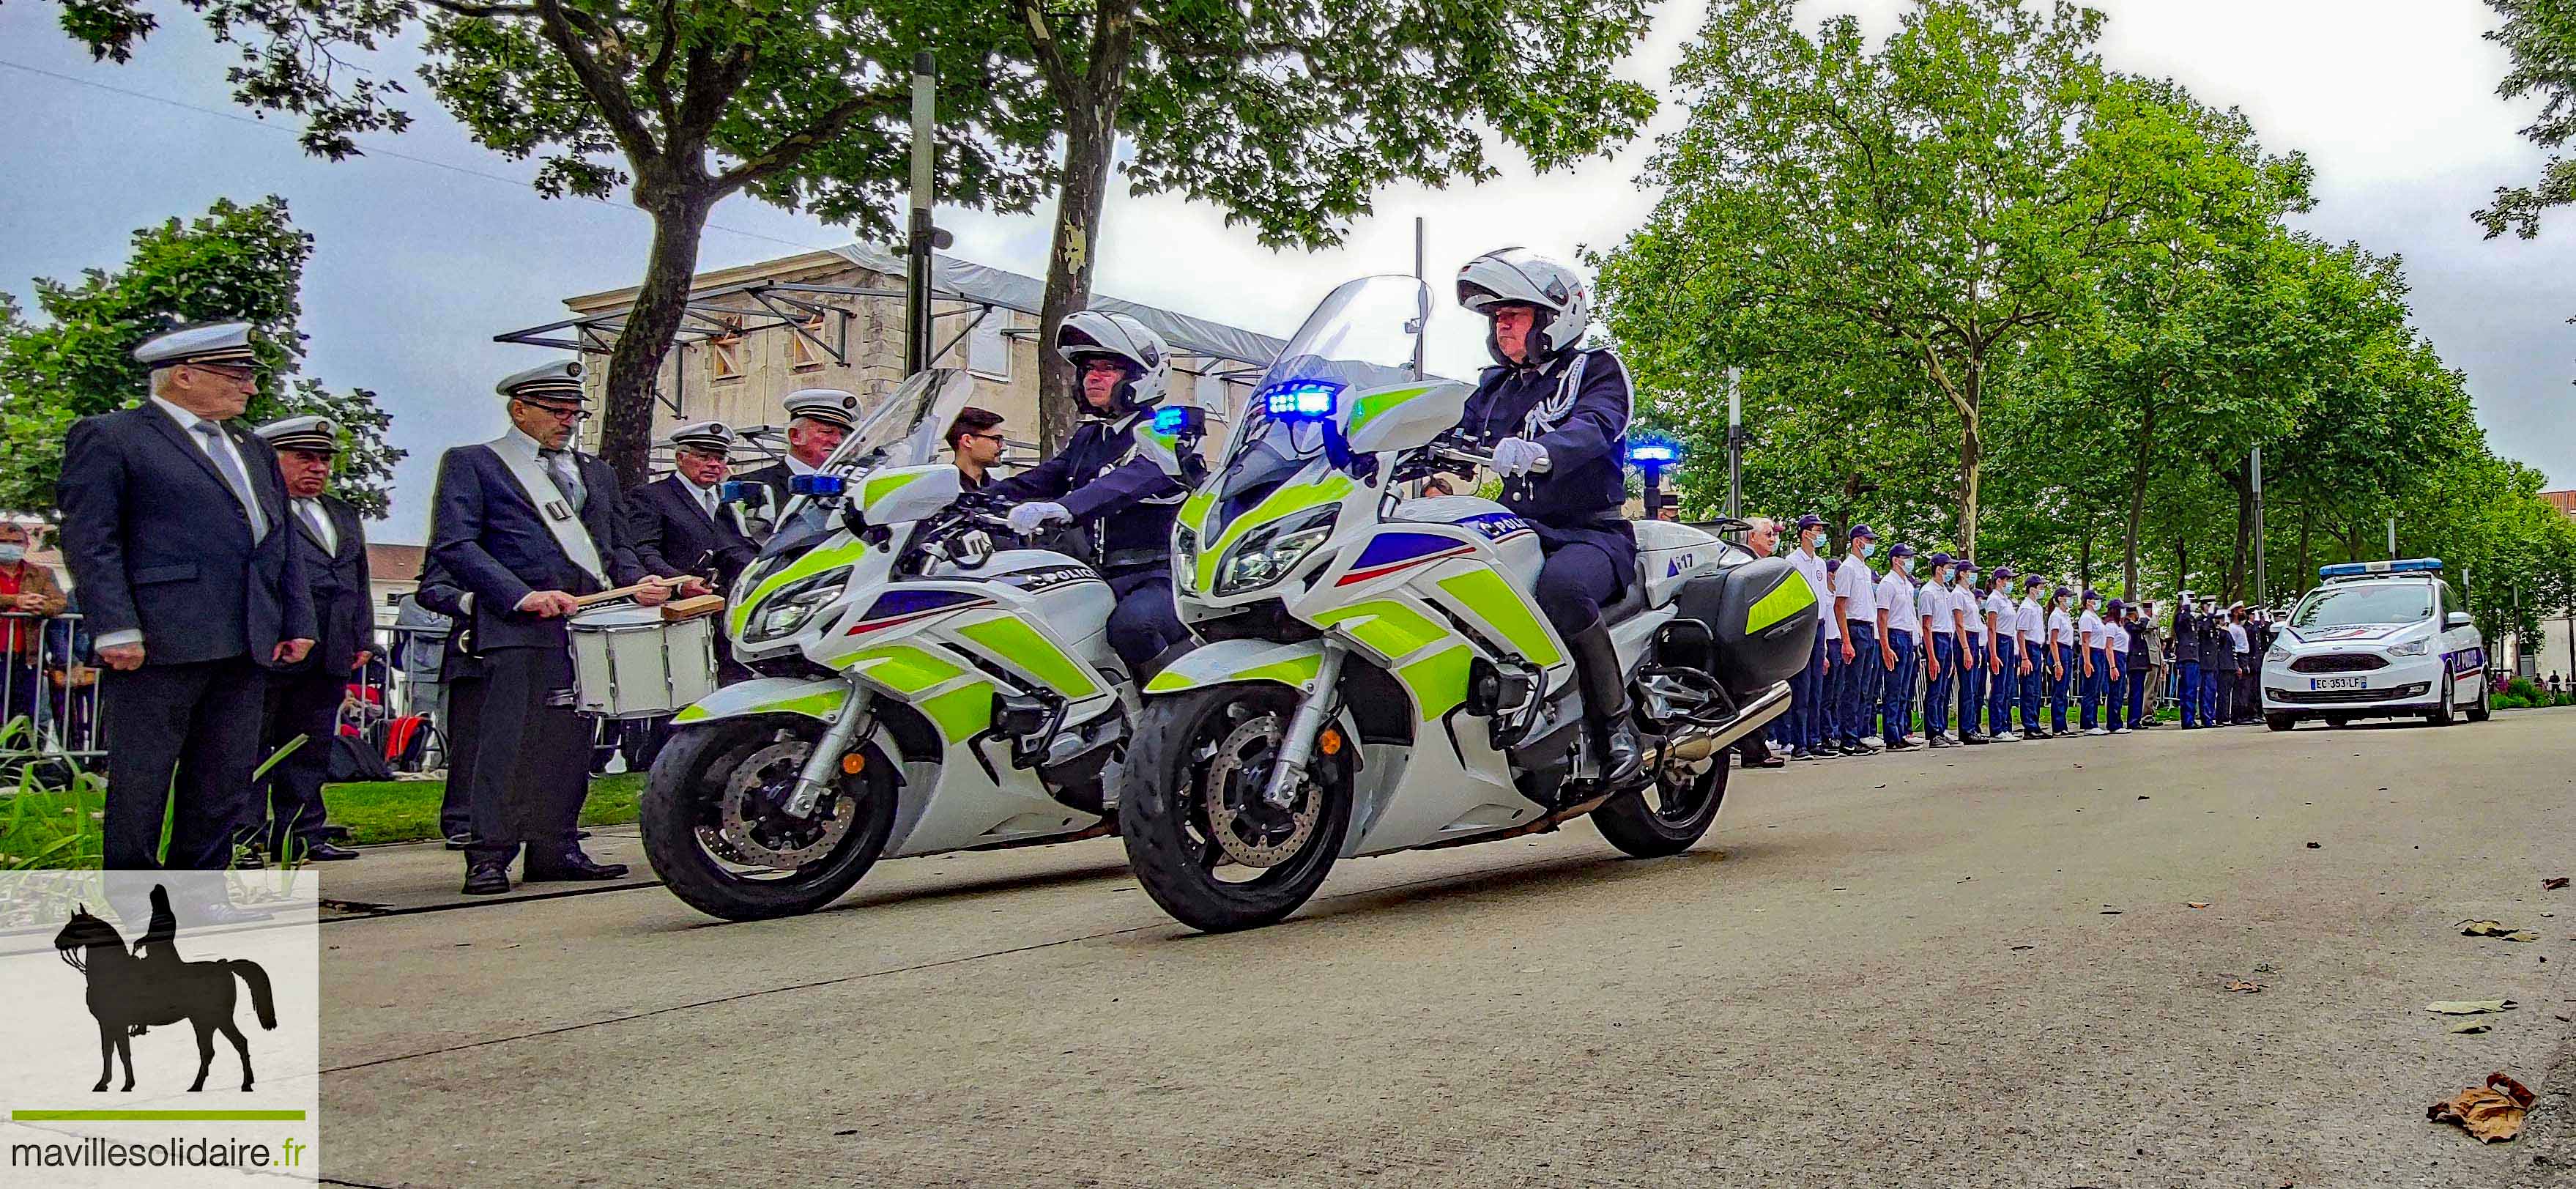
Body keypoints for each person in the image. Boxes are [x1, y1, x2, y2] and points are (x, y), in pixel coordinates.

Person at [56, 322, 314, 884]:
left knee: (222, 777)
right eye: (237, 375)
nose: (249, 389)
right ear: (184, 375)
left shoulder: (252, 448)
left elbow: (279, 541)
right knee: (145, 776)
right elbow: (92, 538)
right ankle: (133, 895)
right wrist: (114, 626)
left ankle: (201, 889)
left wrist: (296, 617)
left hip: (246, 635)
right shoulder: (114, 435)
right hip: (161, 634)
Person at [429, 360, 701, 895]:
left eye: (574, 412)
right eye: (556, 411)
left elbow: (614, 547)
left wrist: (644, 581)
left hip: (588, 624)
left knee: (571, 742)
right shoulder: (475, 464)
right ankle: (489, 853)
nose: (567, 421)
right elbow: (456, 545)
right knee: (507, 744)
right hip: (517, 628)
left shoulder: (594, 472)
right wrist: (520, 595)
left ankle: (556, 845)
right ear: (519, 409)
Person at [1434, 251, 1643, 785]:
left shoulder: (1594, 369)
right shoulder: (1494, 386)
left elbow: (1598, 423)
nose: (1501, 323)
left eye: (1514, 314)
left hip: (1589, 533)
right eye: (1495, 316)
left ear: (1554, 318)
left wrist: (1542, 450)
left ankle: (1616, 729)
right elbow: (1448, 426)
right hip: (1515, 529)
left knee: (1562, 590)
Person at [990, 311, 1195, 684]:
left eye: (1107, 369)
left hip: (1158, 576)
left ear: (1140, 377)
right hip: (1096, 574)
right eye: (1088, 370)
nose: (1093, 377)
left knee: (1133, 626)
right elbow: (1043, 478)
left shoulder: (1167, 429)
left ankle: (1174, 710)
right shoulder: (1089, 438)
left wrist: (1064, 508)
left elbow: (1132, 479)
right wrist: (968, 497)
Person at [250, 415, 369, 864]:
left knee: (310, 745)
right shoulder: (260, 509)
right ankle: (244, 833)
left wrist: (361, 637)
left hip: (331, 648)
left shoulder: (340, 513)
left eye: (323, 459)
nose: (317, 468)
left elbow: (356, 578)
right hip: (274, 645)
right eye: (304, 458)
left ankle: (302, 833)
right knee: (252, 745)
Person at [628, 421, 758, 599]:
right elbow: (645, 551)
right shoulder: (650, 496)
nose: (713, 464)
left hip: (735, 600)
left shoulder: (732, 499)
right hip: (682, 605)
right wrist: (680, 582)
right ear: (680, 459)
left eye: (720, 459)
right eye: (704, 457)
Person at [734, 389, 858, 538]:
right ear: (796, 436)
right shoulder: (748, 485)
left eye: (843, 435)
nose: (838, 441)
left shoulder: (853, 486)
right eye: (827, 432)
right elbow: (736, 547)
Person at [0, 520, 67, 741]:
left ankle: (19, 767)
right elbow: (15, 601)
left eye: (15, 542)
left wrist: (41, 606)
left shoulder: (41, 573)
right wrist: (15, 600)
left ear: (26, 544)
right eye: (3, 542)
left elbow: (59, 602)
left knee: (25, 714)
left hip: (26, 657)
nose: (10, 546)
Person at [1785, 515, 1836, 762]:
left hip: (1820, 626)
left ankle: (1814, 739)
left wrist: (1824, 645)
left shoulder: (1821, 564)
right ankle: (1799, 742)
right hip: (1802, 626)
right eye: (1817, 530)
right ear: (1805, 533)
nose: (1820, 535)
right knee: (1802, 687)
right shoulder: (1792, 562)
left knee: (1817, 687)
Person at [1831, 525, 1885, 757]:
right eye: (1867, 539)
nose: (1870, 543)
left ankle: (1858, 734)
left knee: (1864, 687)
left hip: (1868, 629)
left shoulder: (1864, 569)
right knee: (1852, 687)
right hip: (1855, 629)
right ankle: (1848, 739)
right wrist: (1846, 640)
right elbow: (1840, 605)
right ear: (1856, 542)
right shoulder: (1848, 569)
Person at [1737, 517, 1786, 769]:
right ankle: (1754, 750)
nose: (1772, 538)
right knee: (1754, 694)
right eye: (1767, 534)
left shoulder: (1762, 565)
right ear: (1751, 537)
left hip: (1764, 638)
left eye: (1774, 535)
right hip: (1751, 640)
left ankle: (1757, 746)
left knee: (1762, 692)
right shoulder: (1744, 565)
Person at [1875, 543, 1919, 751]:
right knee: (1893, 689)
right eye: (1906, 557)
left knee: (1904, 690)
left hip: (1908, 636)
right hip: (1894, 635)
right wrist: (1885, 646)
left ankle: (1902, 730)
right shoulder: (1888, 584)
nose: (1909, 562)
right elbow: (1882, 617)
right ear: (1895, 560)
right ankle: (1892, 735)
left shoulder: (1907, 585)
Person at [1916, 552, 1959, 749]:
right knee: (1934, 688)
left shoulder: (1946, 592)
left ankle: (1942, 728)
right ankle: (1933, 732)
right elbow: (1927, 625)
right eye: (1949, 567)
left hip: (1947, 638)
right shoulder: (1928, 592)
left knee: (1944, 689)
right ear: (1940, 569)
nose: (1951, 571)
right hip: (1936, 639)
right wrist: (1932, 656)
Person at [1983, 567, 2023, 742]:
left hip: (2009, 641)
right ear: (1999, 581)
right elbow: (1991, 628)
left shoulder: (2006, 600)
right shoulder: (1993, 600)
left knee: (2007, 686)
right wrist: (1993, 653)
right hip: (1999, 641)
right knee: (1999, 685)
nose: (2010, 583)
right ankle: (1997, 727)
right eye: (2007, 579)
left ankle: (2006, 725)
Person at [1953, 562, 1989, 744]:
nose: (1973, 576)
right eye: (1971, 572)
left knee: (1974, 687)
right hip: (1965, 639)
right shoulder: (1958, 594)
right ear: (1962, 574)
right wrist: (1966, 649)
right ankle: (1966, 730)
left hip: (1974, 639)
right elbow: (1960, 623)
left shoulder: (1969, 594)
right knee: (1967, 686)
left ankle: (1973, 726)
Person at [2015, 575, 2049, 740]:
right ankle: (2029, 726)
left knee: (2036, 689)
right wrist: (2024, 657)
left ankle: (2035, 723)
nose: (2042, 589)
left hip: (2037, 647)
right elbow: (2021, 633)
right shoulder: (2026, 607)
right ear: (2032, 588)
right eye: (2040, 586)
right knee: (2029, 689)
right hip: (2029, 647)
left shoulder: (2036, 607)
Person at [946, 407, 1010, 492]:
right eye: (996, 439)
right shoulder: (941, 491)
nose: (1004, 447)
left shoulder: (1001, 492)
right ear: (968, 441)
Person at [2044, 585, 2076, 736]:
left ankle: (2063, 725)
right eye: (2067, 597)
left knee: (2064, 691)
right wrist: (2057, 663)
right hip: (2060, 651)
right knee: (2059, 690)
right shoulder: (2056, 616)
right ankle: (2058, 726)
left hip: (2068, 651)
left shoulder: (2065, 616)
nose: (2070, 599)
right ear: (2060, 599)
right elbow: (2053, 641)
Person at [2076, 589, 2107, 736]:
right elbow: (2085, 641)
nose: (2098, 602)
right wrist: (2087, 662)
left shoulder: (2095, 617)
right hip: (2092, 653)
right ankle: (2089, 723)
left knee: (2096, 691)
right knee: (2090, 689)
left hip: (2099, 653)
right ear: (2089, 601)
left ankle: (2093, 721)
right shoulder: (2087, 617)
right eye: (2096, 599)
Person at [2172, 593, 2203, 729]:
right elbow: (2182, 620)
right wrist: (2185, 606)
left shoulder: (2190, 618)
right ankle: (2188, 720)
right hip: (2187, 657)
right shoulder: (2181, 617)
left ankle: (2190, 718)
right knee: (2188, 690)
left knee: (2191, 689)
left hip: (2192, 656)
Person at [2200, 595, 2232, 727]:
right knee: (2207, 691)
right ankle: (2207, 718)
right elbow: (2204, 631)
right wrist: (2210, 617)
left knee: (2212, 691)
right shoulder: (2200, 620)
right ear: (2205, 606)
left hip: (2213, 662)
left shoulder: (2211, 623)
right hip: (2206, 661)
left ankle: (2210, 717)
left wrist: (2223, 628)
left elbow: (2220, 644)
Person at [2101, 598, 2130, 735]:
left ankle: (2117, 720)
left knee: (2119, 691)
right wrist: (2113, 666)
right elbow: (2109, 647)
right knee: (2115, 691)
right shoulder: (2111, 626)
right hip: (2116, 657)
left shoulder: (2119, 626)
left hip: (2122, 657)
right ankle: (2113, 723)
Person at [2133, 601, 2163, 728]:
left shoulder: (2151, 621)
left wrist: (2162, 660)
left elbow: (2158, 643)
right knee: (2149, 689)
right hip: (2149, 659)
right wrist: (2155, 615)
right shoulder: (2144, 621)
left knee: (2155, 689)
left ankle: (2150, 713)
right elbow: (2152, 625)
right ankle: (2145, 716)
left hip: (2156, 658)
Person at [2123, 601, 2153, 732]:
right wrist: (2143, 618)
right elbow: (2139, 628)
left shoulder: (2134, 626)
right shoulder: (2128, 625)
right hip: (2135, 663)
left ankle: (2136, 719)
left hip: (2139, 663)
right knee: (2135, 693)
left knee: (2139, 692)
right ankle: (2133, 720)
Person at [2226, 602, 2255, 724]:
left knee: (2246, 688)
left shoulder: (2241, 628)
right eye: (2240, 611)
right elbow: (2233, 647)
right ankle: (2237, 716)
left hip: (2245, 657)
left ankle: (2245, 714)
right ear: (2234, 613)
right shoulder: (2232, 628)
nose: (2243, 613)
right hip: (2239, 656)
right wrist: (2237, 665)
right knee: (2240, 689)